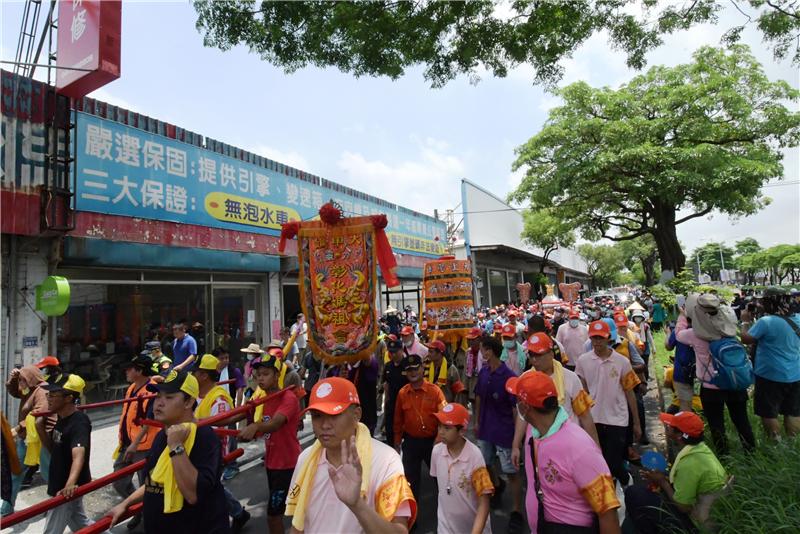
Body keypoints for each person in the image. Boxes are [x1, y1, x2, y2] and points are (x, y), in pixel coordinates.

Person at [286, 377, 417, 533]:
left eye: (334, 415)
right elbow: (298, 524)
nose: (324, 425)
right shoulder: (306, 459)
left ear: (357, 414)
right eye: (317, 416)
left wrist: (357, 505)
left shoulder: (385, 461)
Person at [108, 369, 230, 533]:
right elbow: (155, 482)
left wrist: (176, 446)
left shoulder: (204, 437)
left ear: (188, 402)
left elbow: (192, 494)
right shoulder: (160, 437)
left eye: (169, 397)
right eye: (158, 396)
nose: (159, 403)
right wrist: (126, 503)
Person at [506, 371, 621, 533]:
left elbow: (607, 511)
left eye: (517, 400)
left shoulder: (579, 448)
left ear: (525, 407)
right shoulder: (536, 435)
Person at [675, 295, 756, 455]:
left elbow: (678, 334)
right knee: (741, 420)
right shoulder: (729, 332)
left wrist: (683, 316)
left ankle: (724, 456)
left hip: (711, 387)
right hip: (734, 381)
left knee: (716, 424)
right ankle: (751, 453)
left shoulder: (694, 334)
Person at [625, 411, 727, 534]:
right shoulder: (700, 450)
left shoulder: (690, 463)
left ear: (679, 435)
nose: (667, 426)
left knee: (634, 493)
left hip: (696, 523)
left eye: (670, 427)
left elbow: (683, 507)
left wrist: (662, 482)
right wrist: (641, 461)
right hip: (709, 511)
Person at [512, 333, 598, 473]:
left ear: (551, 354)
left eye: (539, 355)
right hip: (537, 445)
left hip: (568, 445)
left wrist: (595, 448)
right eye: (531, 355)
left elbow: (585, 415)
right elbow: (522, 417)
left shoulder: (570, 379)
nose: (534, 360)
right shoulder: (525, 380)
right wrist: (515, 445)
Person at [237, 353, 301, 534]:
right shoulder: (263, 397)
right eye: (257, 375)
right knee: (287, 511)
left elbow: (275, 423)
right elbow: (238, 414)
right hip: (272, 463)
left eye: (265, 374)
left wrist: (255, 426)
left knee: (274, 515)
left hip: (287, 465)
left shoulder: (288, 398)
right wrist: (202, 422)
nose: (260, 379)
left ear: (276, 375)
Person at [575, 320, 642, 485]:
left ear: (608, 338)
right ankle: (611, 493)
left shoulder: (622, 362)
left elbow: (630, 393)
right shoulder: (583, 361)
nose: (597, 342)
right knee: (599, 460)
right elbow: (582, 392)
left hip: (617, 419)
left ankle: (627, 481)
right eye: (594, 338)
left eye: (600, 338)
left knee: (613, 462)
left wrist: (637, 423)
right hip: (594, 420)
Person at [474, 335, 523, 528]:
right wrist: (477, 421)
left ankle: (517, 510)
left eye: (484, 349)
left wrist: (516, 440)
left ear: (491, 350)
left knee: (512, 472)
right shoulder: (484, 372)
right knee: (485, 463)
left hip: (504, 431)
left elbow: (515, 410)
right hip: (486, 428)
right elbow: (478, 397)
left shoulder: (509, 376)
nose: (482, 353)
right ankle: (497, 484)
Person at [740, 286, 800, 438]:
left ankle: (776, 445)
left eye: (763, 302)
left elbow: (746, 339)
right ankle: (792, 443)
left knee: (768, 412)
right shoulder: (798, 318)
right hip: (795, 373)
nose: (761, 305)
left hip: (770, 374)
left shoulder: (766, 321)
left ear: (770, 302)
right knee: (793, 410)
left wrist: (745, 322)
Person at [36, 374, 92, 534]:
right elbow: (54, 449)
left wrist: (69, 485)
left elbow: (79, 454)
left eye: (53, 395)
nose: (48, 398)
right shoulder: (61, 418)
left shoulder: (79, 422)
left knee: (51, 531)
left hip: (67, 488)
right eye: (49, 394)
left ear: (68, 398)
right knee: (81, 524)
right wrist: (40, 429)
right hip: (60, 483)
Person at [112, 355, 160, 530]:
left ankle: (149, 520)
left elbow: (149, 420)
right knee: (118, 481)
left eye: (130, 368)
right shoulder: (132, 387)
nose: (126, 371)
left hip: (144, 446)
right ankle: (137, 509)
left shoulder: (151, 390)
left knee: (146, 485)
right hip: (126, 443)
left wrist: (135, 444)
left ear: (139, 371)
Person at [430, 403, 493, 534]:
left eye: (447, 428)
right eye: (439, 426)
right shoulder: (436, 452)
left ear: (462, 431)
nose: (441, 431)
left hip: (473, 528)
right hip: (445, 528)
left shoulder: (475, 456)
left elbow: (484, 501)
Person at [2, 365, 55, 515]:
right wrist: (13, 378)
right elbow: (14, 392)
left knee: (48, 473)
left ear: (31, 378)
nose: (20, 383)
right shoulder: (29, 389)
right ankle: (7, 505)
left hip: (41, 440)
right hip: (27, 439)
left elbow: (37, 414)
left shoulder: (43, 391)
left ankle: (56, 504)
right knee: (15, 470)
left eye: (22, 380)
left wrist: (17, 428)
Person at [393, 353, 447, 503]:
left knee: (440, 477)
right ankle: (411, 517)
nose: (413, 372)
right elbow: (397, 419)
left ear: (422, 369)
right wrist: (397, 442)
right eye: (409, 370)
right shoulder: (402, 393)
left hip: (433, 442)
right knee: (410, 481)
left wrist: (439, 439)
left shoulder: (435, 391)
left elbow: (445, 417)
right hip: (410, 443)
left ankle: (447, 509)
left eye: (416, 368)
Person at [214, 347, 247, 480]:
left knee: (230, 439)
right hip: (212, 410)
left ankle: (232, 466)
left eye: (227, 358)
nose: (225, 361)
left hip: (229, 409)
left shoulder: (234, 371)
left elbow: (240, 389)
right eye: (222, 358)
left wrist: (237, 408)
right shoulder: (210, 373)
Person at [664, 322, 697, 413]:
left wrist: (668, 333)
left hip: (682, 374)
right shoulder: (706, 330)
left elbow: (668, 346)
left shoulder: (679, 330)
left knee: (684, 408)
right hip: (703, 375)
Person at [382, 336, 408, 446]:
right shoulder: (388, 366)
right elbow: (386, 384)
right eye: (391, 352)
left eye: (395, 352)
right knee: (390, 433)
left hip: (405, 406)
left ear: (401, 350)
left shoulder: (408, 365)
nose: (392, 355)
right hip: (391, 405)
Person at [347, 354, 380, 436]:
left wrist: (364, 350)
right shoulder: (341, 367)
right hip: (346, 417)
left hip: (366, 418)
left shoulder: (368, 364)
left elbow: (370, 361)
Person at [464, 327, 485, 405]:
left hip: (483, 385)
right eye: (469, 340)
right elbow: (465, 372)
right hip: (472, 384)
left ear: (479, 339)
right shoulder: (468, 352)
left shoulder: (485, 352)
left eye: (473, 339)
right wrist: (465, 387)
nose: (470, 342)